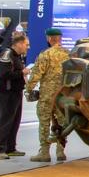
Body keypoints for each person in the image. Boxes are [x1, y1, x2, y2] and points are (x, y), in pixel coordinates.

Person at [26, 28, 69, 163]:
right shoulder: (69, 54)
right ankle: (60, 151)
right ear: (60, 38)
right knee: (62, 122)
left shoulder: (45, 55)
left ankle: (44, 152)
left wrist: (28, 89)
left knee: (44, 122)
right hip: (63, 96)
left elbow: (36, 75)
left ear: (49, 39)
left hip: (47, 96)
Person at [0, 33, 29, 160]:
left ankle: (10, 148)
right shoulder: (7, 55)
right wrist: (22, 72)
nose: (28, 47)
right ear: (18, 44)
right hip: (6, 93)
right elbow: (4, 74)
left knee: (14, 121)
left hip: (16, 92)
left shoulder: (17, 56)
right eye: (26, 44)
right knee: (4, 121)